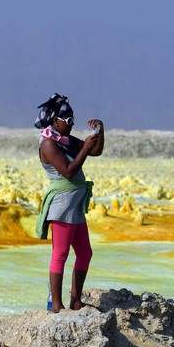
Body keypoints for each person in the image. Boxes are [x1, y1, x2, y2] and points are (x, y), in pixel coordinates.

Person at [33, 93, 105, 312]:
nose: (72, 125)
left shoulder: (66, 141)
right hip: (62, 206)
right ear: (56, 122)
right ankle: (56, 304)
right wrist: (83, 149)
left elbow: (95, 151)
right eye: (68, 121)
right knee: (60, 255)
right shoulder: (48, 144)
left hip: (74, 207)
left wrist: (100, 132)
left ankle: (75, 300)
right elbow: (67, 171)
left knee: (85, 253)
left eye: (73, 120)